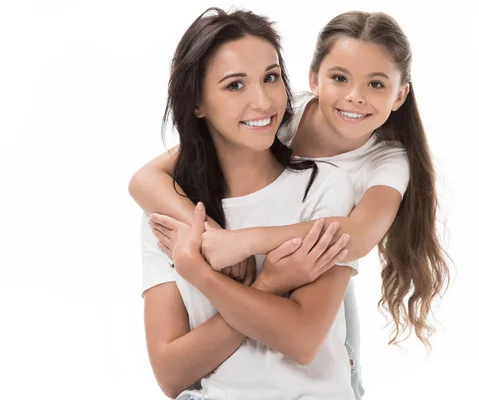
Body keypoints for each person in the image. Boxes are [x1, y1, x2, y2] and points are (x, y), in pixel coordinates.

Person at [132, 10, 450, 399]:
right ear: (314, 80)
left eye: (270, 77)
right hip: (295, 250)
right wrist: (217, 244)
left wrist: (236, 247)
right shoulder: (285, 115)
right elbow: (144, 180)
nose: (355, 96)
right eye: (339, 78)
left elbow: (356, 237)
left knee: (338, 345)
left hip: (326, 251)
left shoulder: (374, 166)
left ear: (400, 95)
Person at [139, 7, 360, 399]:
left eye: (271, 77)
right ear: (197, 103)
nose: (262, 100)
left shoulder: (324, 188)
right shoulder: (172, 208)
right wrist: (270, 284)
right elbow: (171, 375)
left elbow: (301, 339)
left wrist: (202, 275)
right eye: (235, 85)